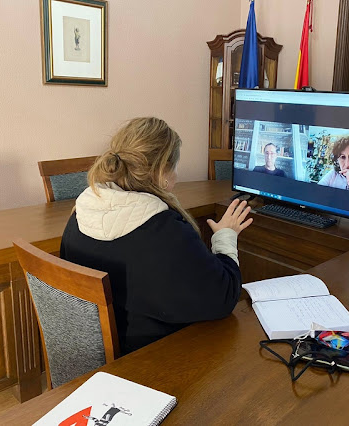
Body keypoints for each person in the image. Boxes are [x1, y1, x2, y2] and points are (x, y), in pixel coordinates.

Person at [60, 117, 252, 354]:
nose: (177, 176)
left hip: (96, 356)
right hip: (152, 361)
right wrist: (225, 236)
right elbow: (223, 297)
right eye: (175, 166)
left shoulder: (78, 215)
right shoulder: (166, 233)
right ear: (162, 171)